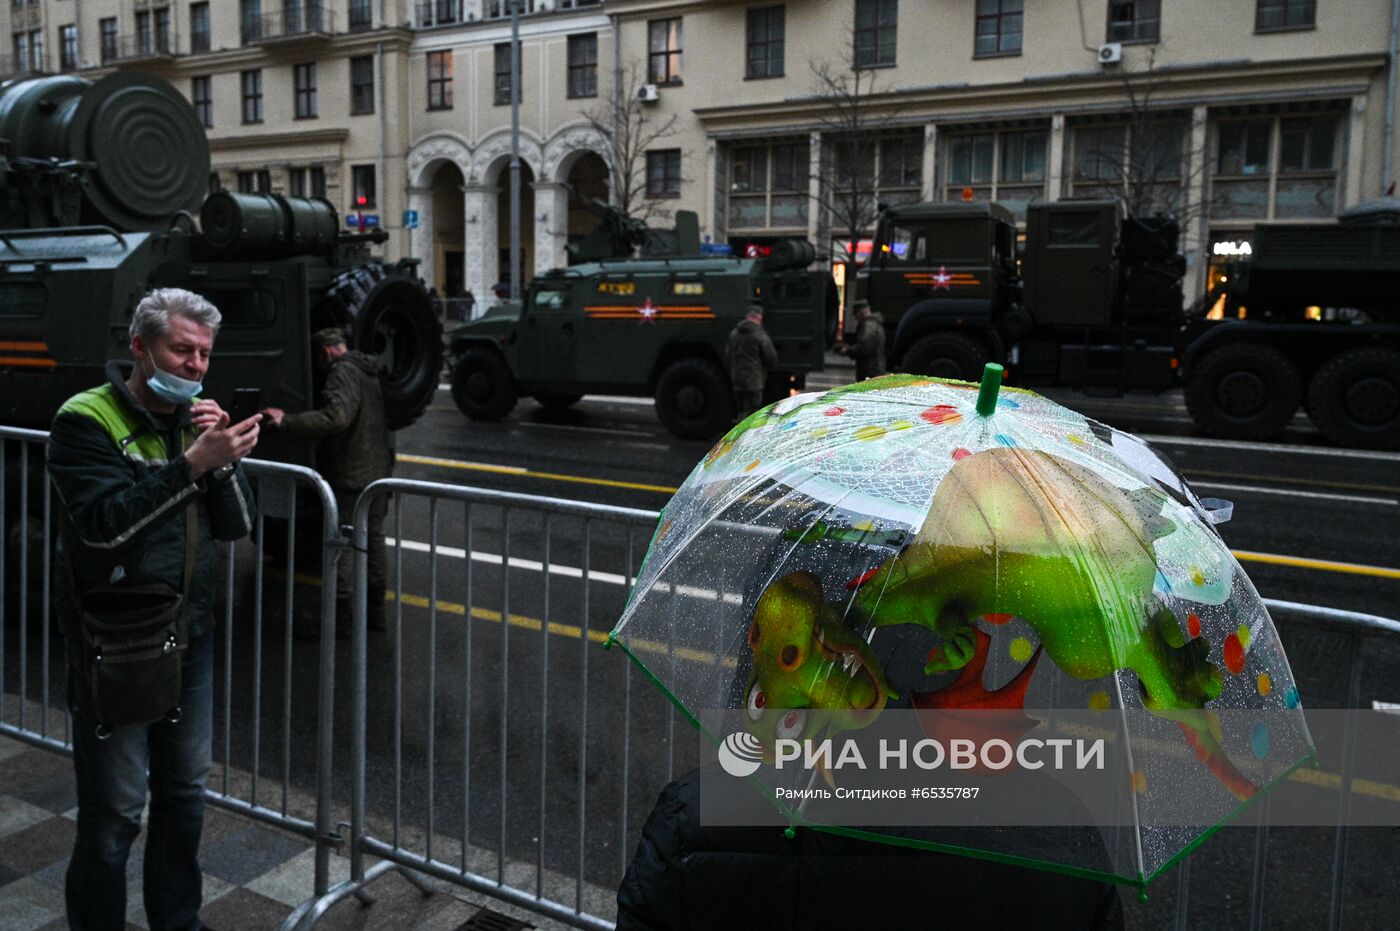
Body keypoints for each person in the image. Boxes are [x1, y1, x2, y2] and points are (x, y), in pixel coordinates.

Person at [49, 287, 259, 931]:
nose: (195, 366)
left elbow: (237, 526)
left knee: (184, 797)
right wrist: (192, 465)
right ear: (140, 347)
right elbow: (104, 527)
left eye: (203, 354)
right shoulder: (85, 419)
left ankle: (178, 921)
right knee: (115, 814)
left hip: (188, 637)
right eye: (181, 349)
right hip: (116, 644)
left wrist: (220, 461)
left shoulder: (194, 418)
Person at [263, 327, 394, 632]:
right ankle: (375, 613)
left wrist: (287, 421)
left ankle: (341, 619)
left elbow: (336, 417)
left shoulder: (342, 372)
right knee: (374, 541)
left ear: (325, 352)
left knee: (342, 545)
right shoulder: (368, 369)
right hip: (377, 471)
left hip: (351, 473)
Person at [725, 304, 778, 421]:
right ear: (759, 318)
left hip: (737, 380)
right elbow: (771, 358)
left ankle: (737, 430)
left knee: (741, 409)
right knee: (752, 412)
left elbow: (727, 355)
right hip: (754, 382)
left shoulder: (734, 333)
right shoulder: (759, 335)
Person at [842, 300, 887, 381]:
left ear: (861, 312)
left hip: (869, 371)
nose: (856, 318)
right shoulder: (876, 323)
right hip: (876, 370)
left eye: (856, 314)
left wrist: (847, 350)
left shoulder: (868, 326)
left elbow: (864, 348)